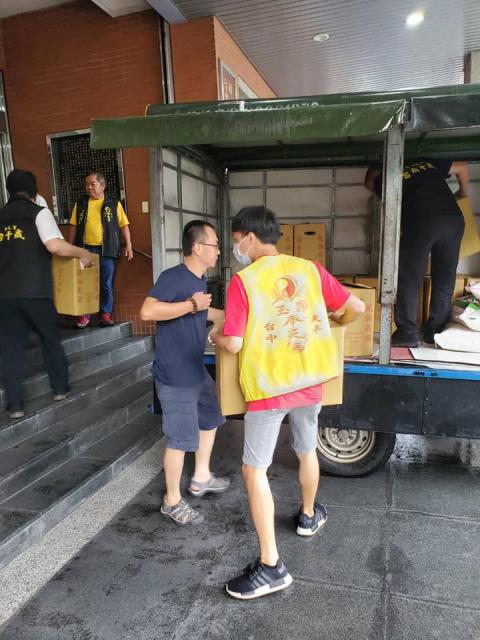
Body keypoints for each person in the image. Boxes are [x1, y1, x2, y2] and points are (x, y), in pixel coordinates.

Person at [210, 205, 365, 600]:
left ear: (249, 237)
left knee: (254, 470)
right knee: (306, 449)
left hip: (269, 387)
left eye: (236, 241)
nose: (236, 249)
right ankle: (309, 516)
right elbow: (357, 307)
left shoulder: (244, 281)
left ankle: (270, 566)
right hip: (309, 381)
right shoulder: (309, 269)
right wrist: (336, 323)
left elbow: (234, 342)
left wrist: (214, 336)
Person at [140, 220, 230, 526]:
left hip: (194, 369)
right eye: (215, 245)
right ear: (198, 247)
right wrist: (191, 304)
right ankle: (171, 501)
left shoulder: (199, 279)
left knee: (211, 415)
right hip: (175, 374)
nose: (218, 251)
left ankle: (201, 476)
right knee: (179, 439)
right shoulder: (174, 277)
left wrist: (228, 316)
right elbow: (148, 311)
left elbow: (203, 311)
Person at [0, 169, 94, 419]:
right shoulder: (38, 213)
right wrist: (82, 253)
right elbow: (55, 245)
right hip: (36, 292)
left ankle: (15, 405)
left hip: (5, 296)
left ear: (9, 191)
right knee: (50, 339)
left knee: (10, 350)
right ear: (33, 191)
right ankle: (60, 389)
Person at [365, 159, 469, 346]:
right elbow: (462, 167)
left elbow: (369, 183)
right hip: (453, 219)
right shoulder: (428, 164)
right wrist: (462, 192)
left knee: (409, 277)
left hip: (422, 221)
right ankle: (436, 330)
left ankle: (407, 332)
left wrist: (375, 179)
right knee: (445, 276)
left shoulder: (385, 179)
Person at [68, 171, 133, 329]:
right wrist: (69, 246)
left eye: (92, 184)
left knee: (106, 284)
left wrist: (129, 245)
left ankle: (106, 314)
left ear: (103, 186)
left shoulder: (113, 203)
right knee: (87, 283)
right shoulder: (81, 203)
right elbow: (74, 226)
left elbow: (124, 225)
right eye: (87, 184)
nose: (89, 187)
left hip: (107, 250)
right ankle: (85, 315)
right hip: (86, 250)